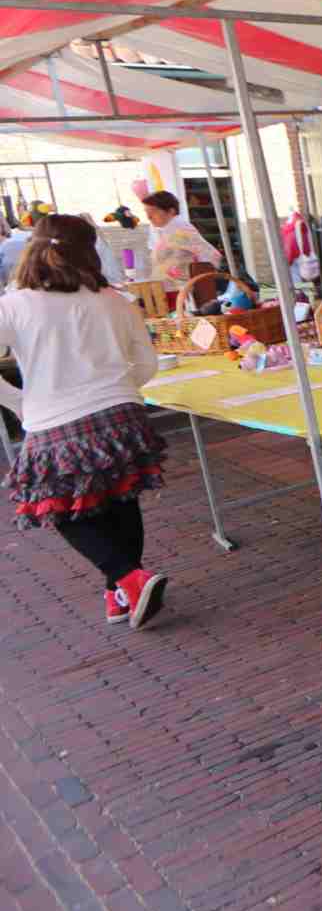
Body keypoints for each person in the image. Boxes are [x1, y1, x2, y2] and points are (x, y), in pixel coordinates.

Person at [0, 215, 167, 628]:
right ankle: (120, 591)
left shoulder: (13, 305)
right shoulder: (115, 300)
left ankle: (129, 578)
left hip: (55, 420)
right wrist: (118, 389)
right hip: (123, 414)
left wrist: (18, 402)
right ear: (91, 251)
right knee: (120, 498)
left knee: (59, 508)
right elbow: (148, 364)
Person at [142, 190, 224, 289]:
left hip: (183, 290)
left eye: (154, 211)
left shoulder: (180, 229)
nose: (149, 217)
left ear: (171, 211)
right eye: (147, 212)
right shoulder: (167, 231)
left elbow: (212, 256)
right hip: (174, 289)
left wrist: (197, 281)